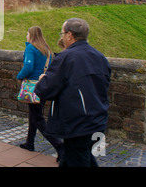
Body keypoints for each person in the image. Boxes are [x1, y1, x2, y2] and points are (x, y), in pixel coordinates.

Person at [35, 18, 111, 167]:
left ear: (69, 35)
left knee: (77, 158)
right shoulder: (100, 57)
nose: (62, 37)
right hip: (97, 119)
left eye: (62, 33)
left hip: (77, 123)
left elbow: (45, 89)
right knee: (82, 156)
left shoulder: (66, 57)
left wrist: (42, 79)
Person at [16, 26, 63, 160]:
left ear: (31, 35)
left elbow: (28, 67)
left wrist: (19, 76)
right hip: (43, 85)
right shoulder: (46, 49)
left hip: (32, 87)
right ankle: (30, 143)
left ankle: (59, 146)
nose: (26, 36)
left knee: (38, 118)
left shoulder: (31, 48)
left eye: (27, 33)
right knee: (34, 115)